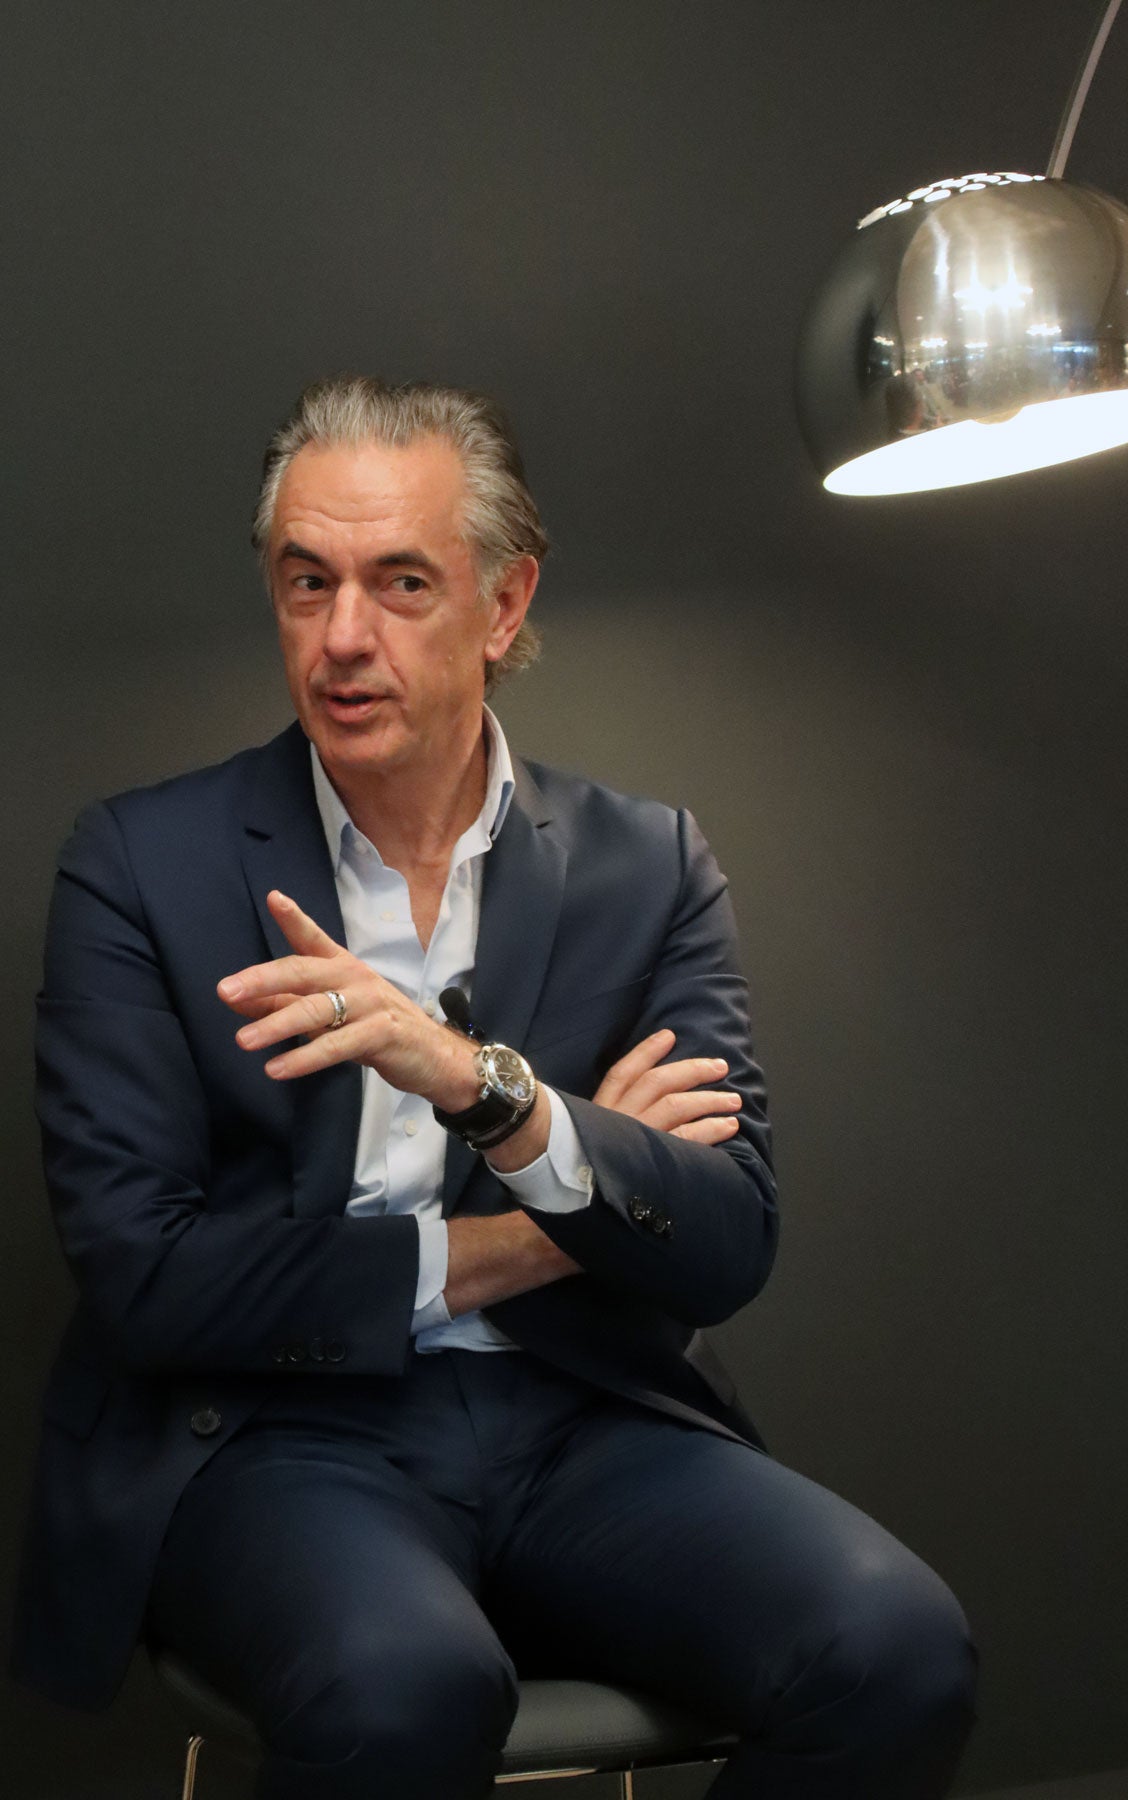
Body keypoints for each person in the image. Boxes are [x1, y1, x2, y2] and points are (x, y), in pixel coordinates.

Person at [13, 377, 977, 1799]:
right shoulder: (140, 866)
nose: (345, 638)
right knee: (410, 1689)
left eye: (402, 583)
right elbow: (149, 1283)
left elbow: (722, 1244)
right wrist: (559, 1215)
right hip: (274, 1440)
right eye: (307, 582)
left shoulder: (651, 866)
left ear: (504, 606)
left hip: (582, 1420)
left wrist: (483, 1089)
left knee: (898, 1649)